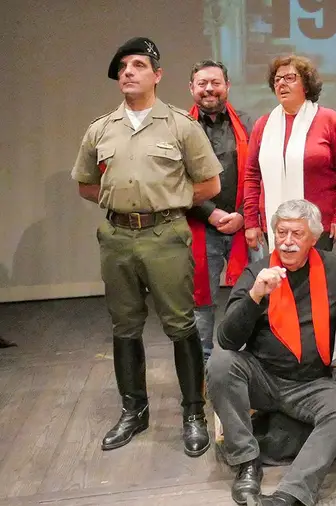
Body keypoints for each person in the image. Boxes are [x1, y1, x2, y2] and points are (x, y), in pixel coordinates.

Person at [71, 37, 221, 456]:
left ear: (157, 76)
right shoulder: (101, 129)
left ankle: (193, 413)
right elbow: (86, 183)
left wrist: (163, 200)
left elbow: (209, 184)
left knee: (181, 325)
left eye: (138, 65)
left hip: (165, 236)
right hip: (117, 238)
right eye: (122, 67)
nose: (128, 72)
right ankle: (134, 411)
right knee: (124, 327)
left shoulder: (179, 125)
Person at [206, 199, 336, 506]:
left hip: (312, 382)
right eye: (281, 233)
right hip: (264, 377)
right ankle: (246, 463)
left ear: (313, 238)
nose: (287, 242)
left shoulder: (334, 269)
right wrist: (255, 296)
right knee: (221, 363)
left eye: (296, 234)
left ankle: (291, 494)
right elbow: (227, 339)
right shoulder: (257, 272)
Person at [186, 59, 261, 364]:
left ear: (227, 86)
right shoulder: (180, 127)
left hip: (246, 225)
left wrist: (243, 213)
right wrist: (211, 213)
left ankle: (253, 363)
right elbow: (177, 178)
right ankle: (203, 367)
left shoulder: (248, 123)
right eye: (202, 83)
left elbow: (258, 173)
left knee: (255, 295)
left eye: (215, 83)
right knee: (201, 303)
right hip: (200, 226)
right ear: (191, 88)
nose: (209, 89)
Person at [243, 55, 336, 255]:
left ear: (306, 85)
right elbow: (252, 176)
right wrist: (250, 222)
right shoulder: (263, 125)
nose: (281, 83)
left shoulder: (329, 120)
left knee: (316, 282)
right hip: (276, 228)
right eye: (277, 80)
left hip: (319, 226)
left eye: (289, 78)